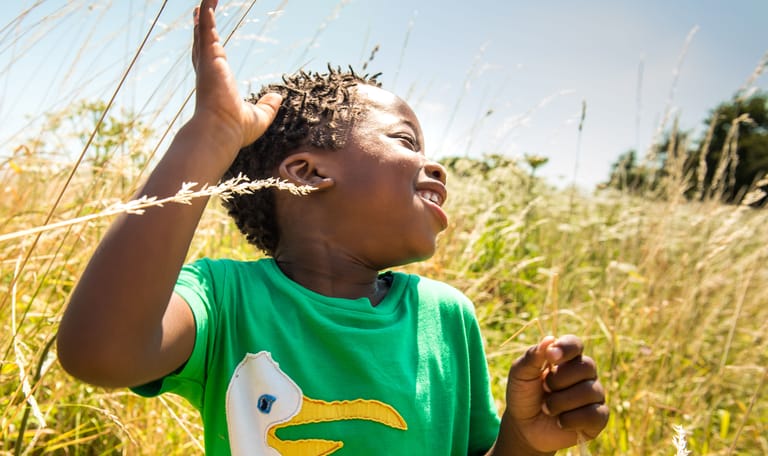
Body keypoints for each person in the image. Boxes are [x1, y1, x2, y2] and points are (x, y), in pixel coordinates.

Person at [56, 0, 609, 454]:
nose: (435, 165)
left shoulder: (446, 317)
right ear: (309, 172)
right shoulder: (225, 301)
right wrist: (211, 137)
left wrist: (523, 439)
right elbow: (98, 352)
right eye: (406, 141)